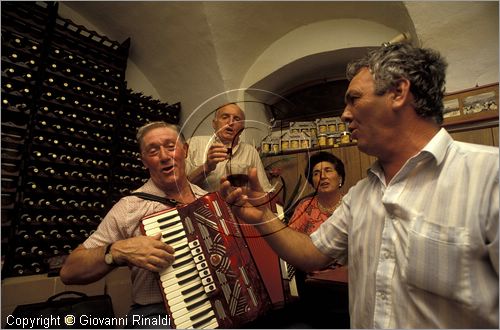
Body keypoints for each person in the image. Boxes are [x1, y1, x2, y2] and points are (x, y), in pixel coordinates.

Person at [219, 43, 499, 328]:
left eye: (354, 99)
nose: (345, 114)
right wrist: (262, 217)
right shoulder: (361, 194)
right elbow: (311, 254)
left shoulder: (489, 177)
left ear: (398, 93)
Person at [60, 122, 207, 328]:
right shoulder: (129, 207)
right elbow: (69, 271)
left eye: (171, 146)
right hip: (157, 313)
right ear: (144, 161)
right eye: (153, 150)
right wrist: (116, 251)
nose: (164, 156)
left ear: (185, 150)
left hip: (216, 304)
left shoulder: (209, 201)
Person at [186, 102, 273, 193]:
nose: (231, 122)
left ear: (242, 128)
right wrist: (206, 167)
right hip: (204, 206)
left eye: (237, 119)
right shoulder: (194, 144)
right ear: (214, 123)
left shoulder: (250, 151)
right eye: (225, 117)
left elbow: (265, 190)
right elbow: (178, 188)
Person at [288, 151, 345, 236]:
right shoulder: (305, 207)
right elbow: (290, 238)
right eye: (316, 173)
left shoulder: (352, 203)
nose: (322, 176)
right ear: (313, 183)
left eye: (328, 170)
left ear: (340, 178)